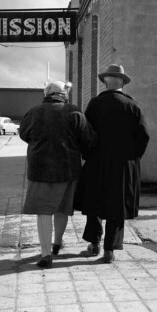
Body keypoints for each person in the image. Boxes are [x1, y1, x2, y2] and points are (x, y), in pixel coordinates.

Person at [19, 80, 96, 268]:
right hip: (68, 170)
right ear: (64, 95)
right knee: (62, 208)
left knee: (43, 211)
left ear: (47, 94)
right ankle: (57, 243)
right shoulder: (74, 112)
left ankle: (45, 254)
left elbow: (23, 134)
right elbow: (88, 139)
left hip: (40, 170)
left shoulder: (33, 112)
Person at [78, 64, 149, 263]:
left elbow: (85, 133)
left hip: (97, 162)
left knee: (95, 204)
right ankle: (110, 250)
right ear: (123, 83)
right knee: (116, 207)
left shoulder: (95, 104)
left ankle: (94, 244)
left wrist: (88, 154)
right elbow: (143, 136)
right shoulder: (133, 106)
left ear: (105, 82)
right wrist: (133, 159)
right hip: (123, 165)